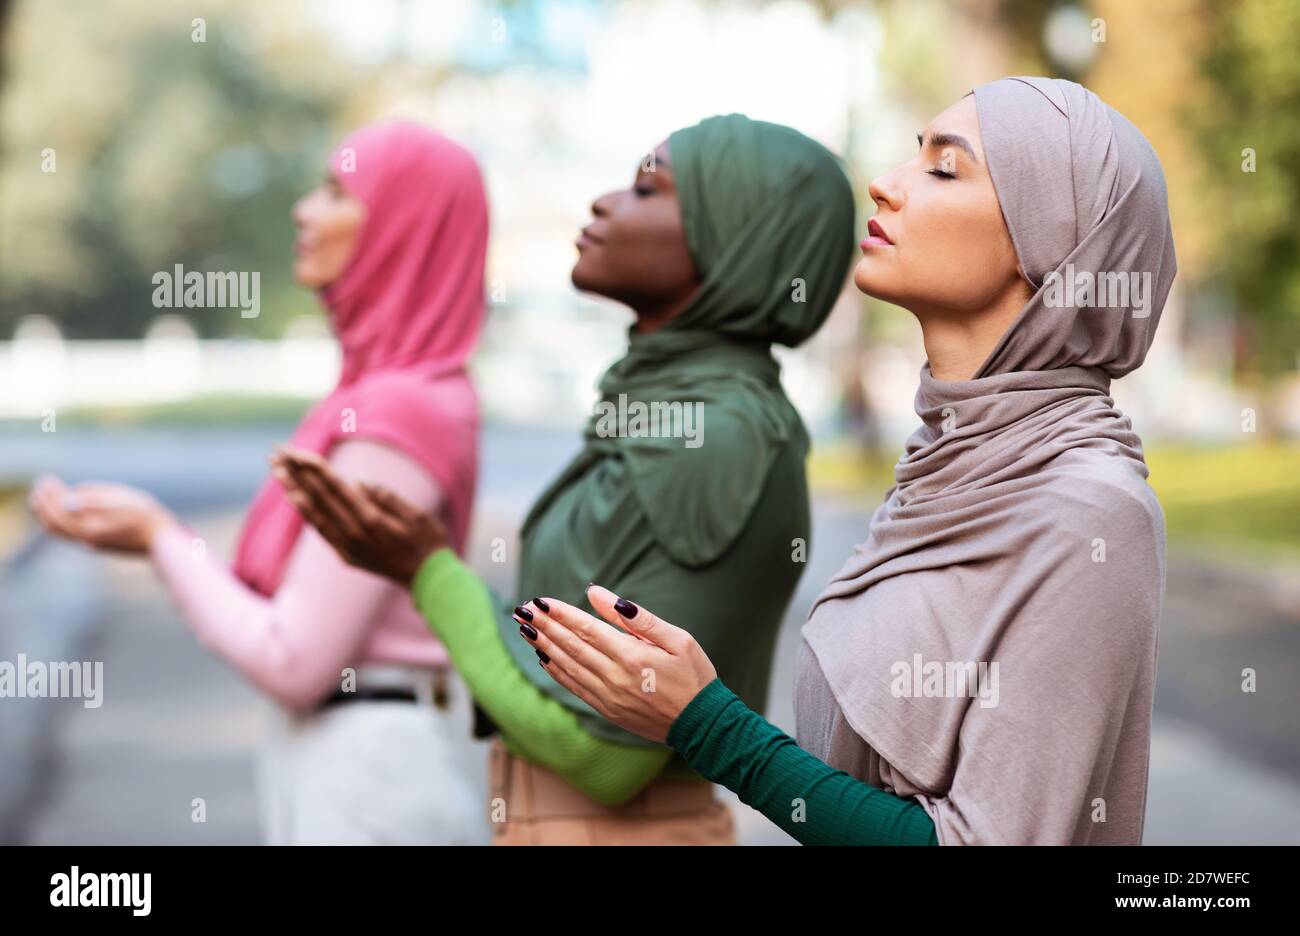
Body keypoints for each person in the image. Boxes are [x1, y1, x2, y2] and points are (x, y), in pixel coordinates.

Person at [510, 77, 1177, 845]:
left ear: (1053, 243)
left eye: (944, 169)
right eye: (910, 155)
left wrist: (707, 724)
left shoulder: (1089, 510)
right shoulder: (942, 474)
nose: (884, 185)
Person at [275, 113, 858, 844]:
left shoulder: (720, 435)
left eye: (648, 189)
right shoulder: (668, 406)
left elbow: (606, 758)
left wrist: (427, 572)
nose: (604, 202)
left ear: (737, 238)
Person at [30, 122, 491, 844]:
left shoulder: (401, 408)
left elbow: (294, 660)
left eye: (337, 192)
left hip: (370, 773)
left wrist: (159, 537)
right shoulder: (382, 393)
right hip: (348, 757)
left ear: (406, 228)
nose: (303, 210)